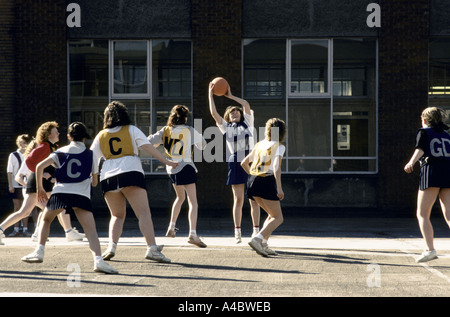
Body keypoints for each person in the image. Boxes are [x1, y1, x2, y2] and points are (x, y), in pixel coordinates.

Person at [21, 122, 117, 274]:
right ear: (85, 137)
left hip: (61, 191)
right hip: (81, 194)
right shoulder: (90, 154)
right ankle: (98, 260)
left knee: (46, 220)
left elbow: (39, 167)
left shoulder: (61, 151)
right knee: (90, 229)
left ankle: (39, 251)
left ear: (68, 136)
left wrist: (40, 189)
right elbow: (94, 182)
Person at [90, 101, 178, 263]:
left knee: (116, 215)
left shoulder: (100, 135)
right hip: (130, 171)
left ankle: (111, 247)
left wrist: (93, 177)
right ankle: (151, 248)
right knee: (143, 213)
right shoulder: (131, 130)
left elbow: (92, 160)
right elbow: (149, 148)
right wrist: (167, 161)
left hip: (108, 176)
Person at [0, 122, 84, 245]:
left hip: (42, 184)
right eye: (56, 131)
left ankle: (62, 232)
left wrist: (52, 176)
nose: (58, 133)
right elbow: (29, 161)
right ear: (49, 134)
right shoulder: (44, 147)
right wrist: (42, 173)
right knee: (31, 211)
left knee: (55, 207)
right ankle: (63, 232)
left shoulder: (52, 146)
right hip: (37, 184)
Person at [208, 82, 261, 243]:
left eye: (237, 112)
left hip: (252, 161)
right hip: (236, 161)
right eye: (231, 113)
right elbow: (213, 113)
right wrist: (211, 95)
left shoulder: (248, 122)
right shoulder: (226, 128)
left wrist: (229, 96)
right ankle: (237, 232)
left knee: (254, 198)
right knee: (238, 199)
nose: (235, 113)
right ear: (228, 118)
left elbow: (245, 104)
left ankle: (256, 231)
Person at [148, 105, 207, 248]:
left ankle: (171, 226)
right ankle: (193, 234)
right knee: (193, 202)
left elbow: (148, 141)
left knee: (180, 197)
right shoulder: (189, 130)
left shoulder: (165, 130)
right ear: (185, 117)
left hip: (172, 168)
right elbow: (203, 145)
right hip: (186, 166)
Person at [404, 107, 450, 263]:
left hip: (432, 171)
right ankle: (429, 249)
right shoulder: (446, 135)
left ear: (424, 119)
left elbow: (421, 149)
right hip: (447, 171)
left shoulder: (424, 132)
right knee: (449, 214)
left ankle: (430, 249)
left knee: (422, 213)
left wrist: (411, 162)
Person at [241, 118, 286, 257]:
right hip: (266, 180)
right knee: (278, 218)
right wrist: (279, 187)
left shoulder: (260, 144)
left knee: (272, 215)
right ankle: (257, 239)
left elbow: (243, 163)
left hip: (252, 180)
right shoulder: (279, 146)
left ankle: (264, 244)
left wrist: (253, 177)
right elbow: (276, 167)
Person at [6, 134, 35, 237]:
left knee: (26, 207)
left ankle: (26, 229)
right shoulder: (13, 155)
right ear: (19, 143)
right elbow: (9, 171)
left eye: (26, 143)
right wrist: (10, 185)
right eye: (23, 143)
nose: (24, 145)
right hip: (16, 184)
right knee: (17, 207)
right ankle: (16, 228)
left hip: (26, 184)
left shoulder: (29, 155)